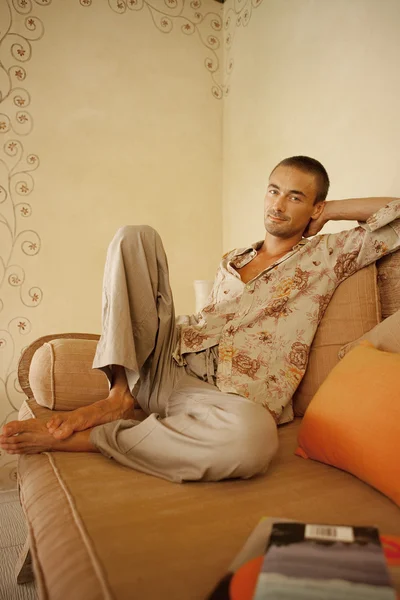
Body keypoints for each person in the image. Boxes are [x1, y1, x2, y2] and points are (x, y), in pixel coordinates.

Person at [1, 156, 399, 483]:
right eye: (274, 190)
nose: (277, 205)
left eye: (295, 197)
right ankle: (119, 397)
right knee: (135, 236)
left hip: (224, 397)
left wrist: (331, 212)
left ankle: (94, 438)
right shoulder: (233, 259)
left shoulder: (329, 255)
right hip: (167, 358)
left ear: (313, 207)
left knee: (253, 442)